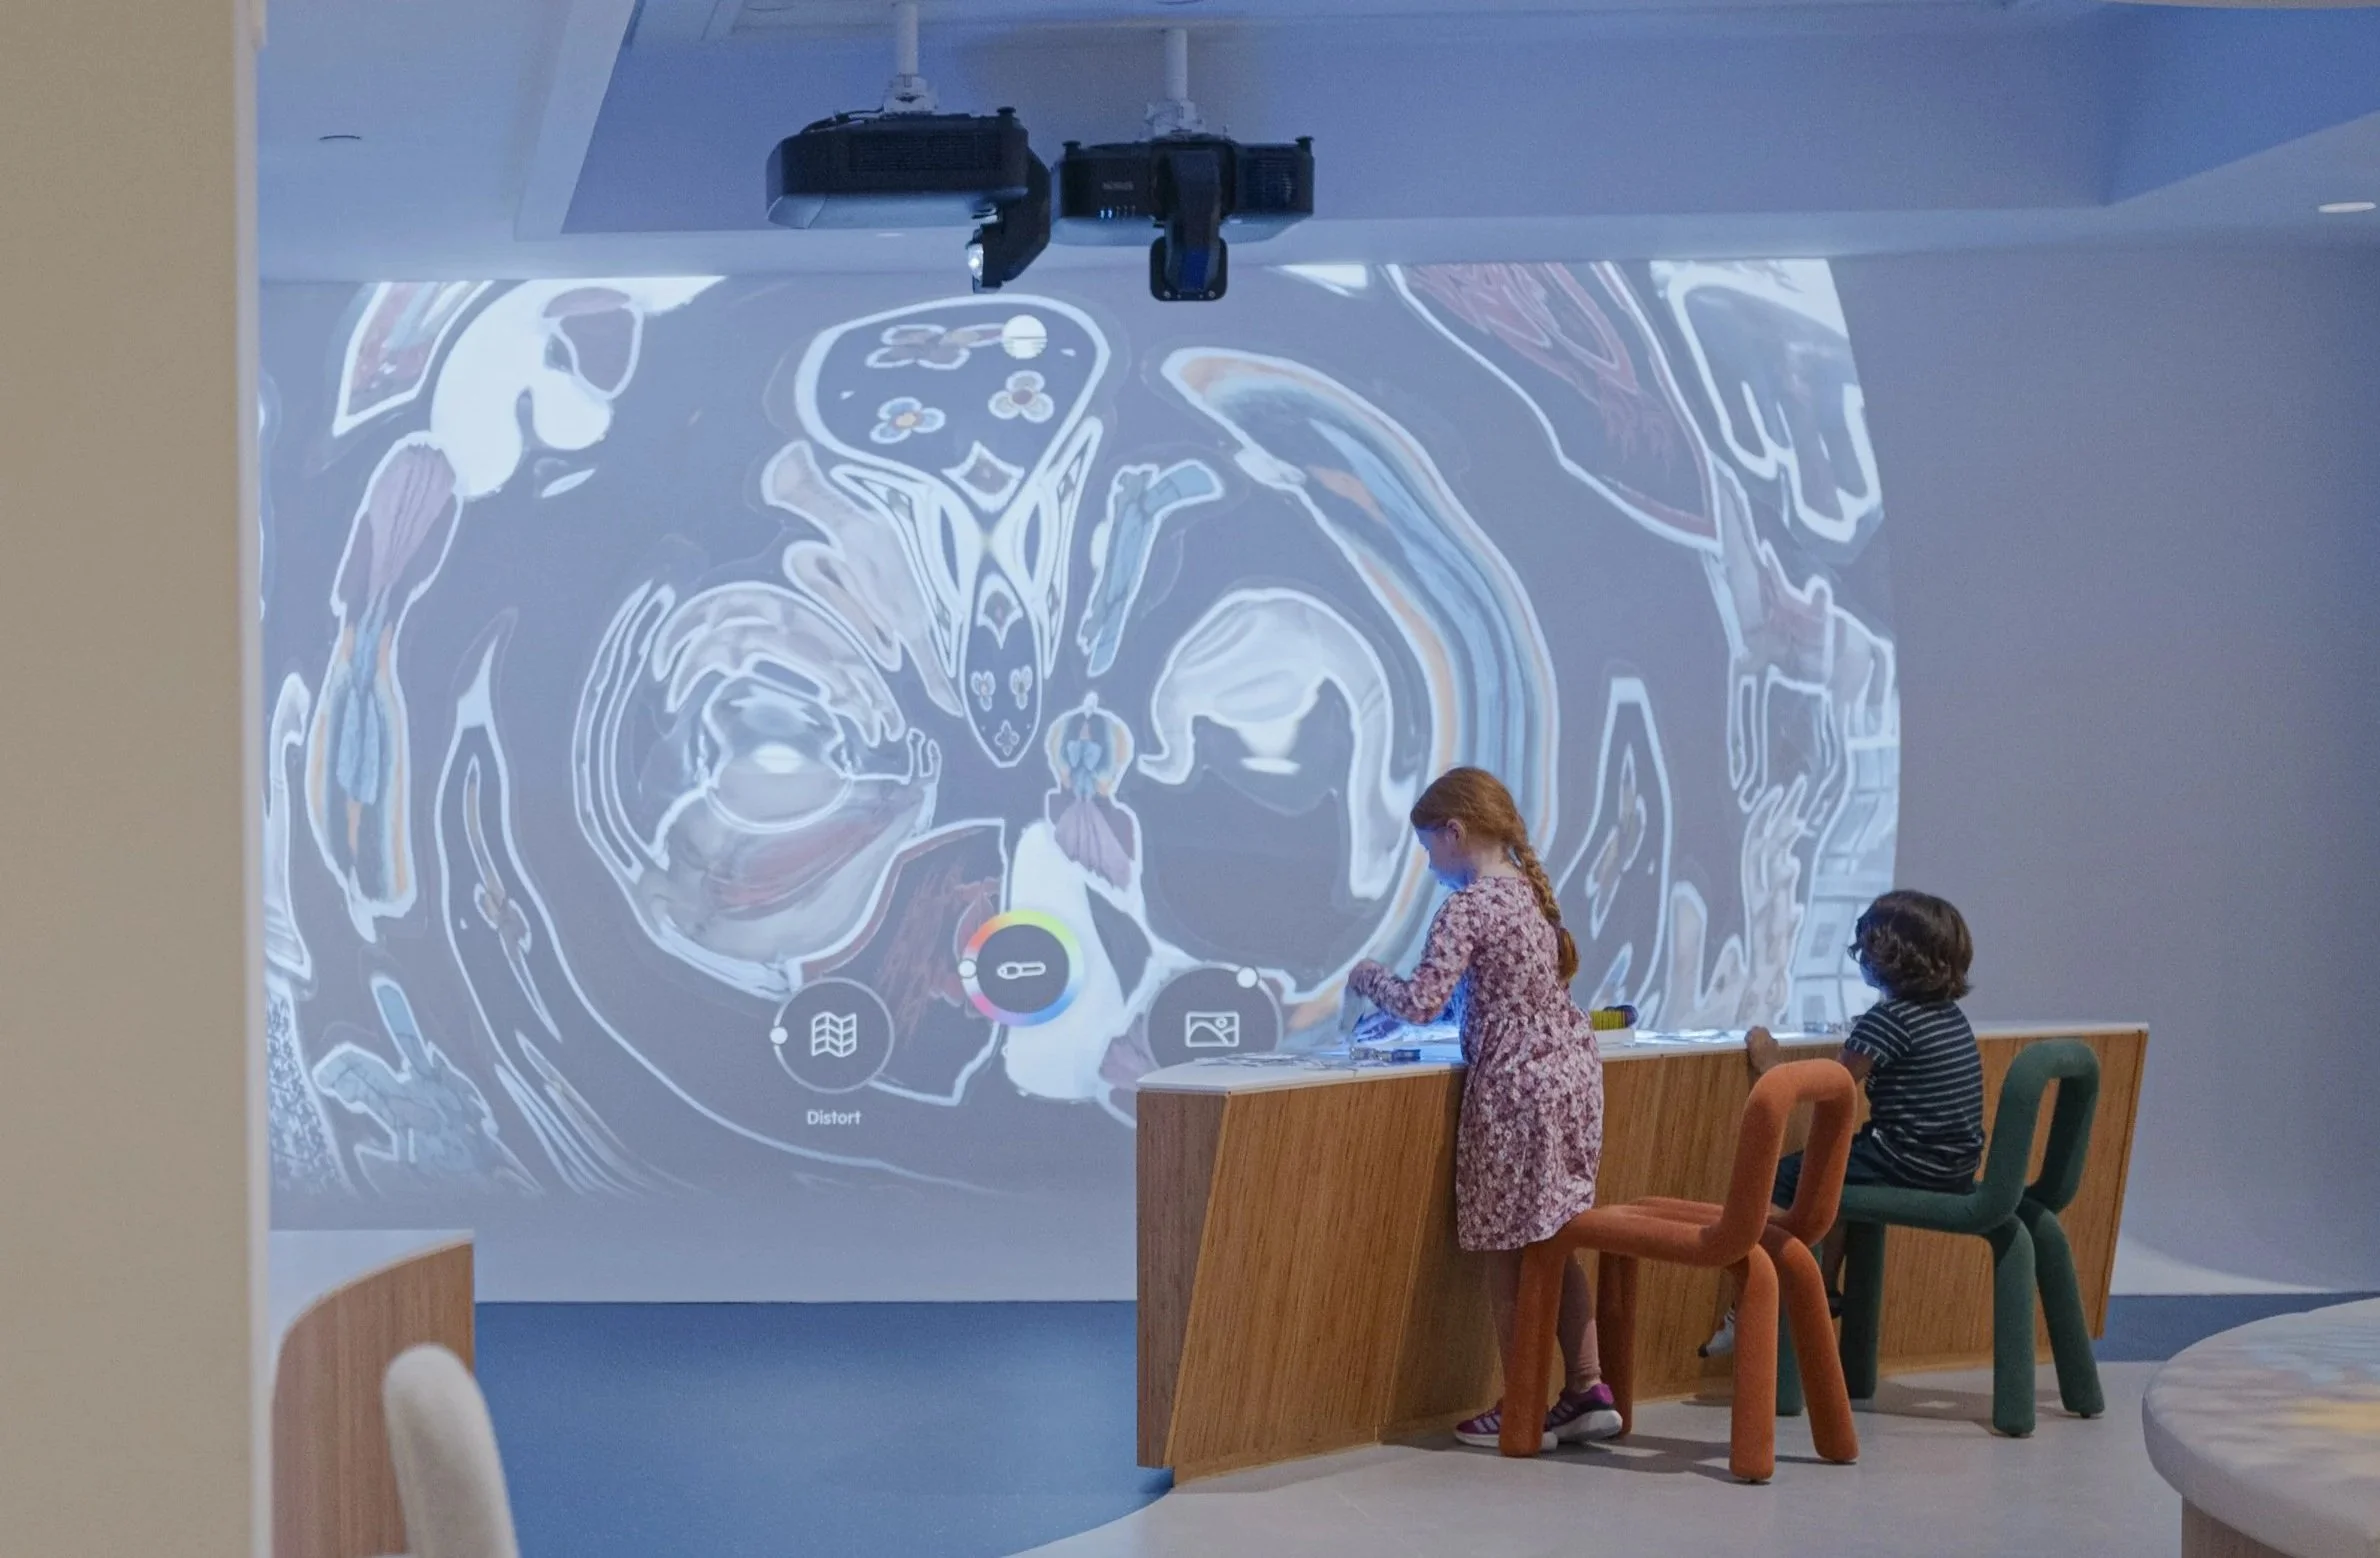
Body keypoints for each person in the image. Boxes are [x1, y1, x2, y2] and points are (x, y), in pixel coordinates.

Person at [1347, 767, 1620, 1450]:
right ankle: (1587, 1387)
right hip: (1570, 1082)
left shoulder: (1467, 907)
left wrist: (1368, 977)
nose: (1429, 863)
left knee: (1505, 1250)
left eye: (1428, 847)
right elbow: (1495, 995)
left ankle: (1522, 1402)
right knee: (1554, 1237)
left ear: (1454, 831)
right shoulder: (1528, 895)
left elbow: (1422, 1001)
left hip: (1515, 1093)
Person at [1703, 889, 1986, 1356]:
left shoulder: (1888, 1019)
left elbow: (1830, 1086)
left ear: (1885, 957)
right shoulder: (1948, 1016)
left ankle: (1750, 1305)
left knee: (1784, 1178)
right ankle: (1826, 1284)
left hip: (1905, 1160)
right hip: (1952, 1166)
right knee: (1833, 1172)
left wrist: (1770, 1063)